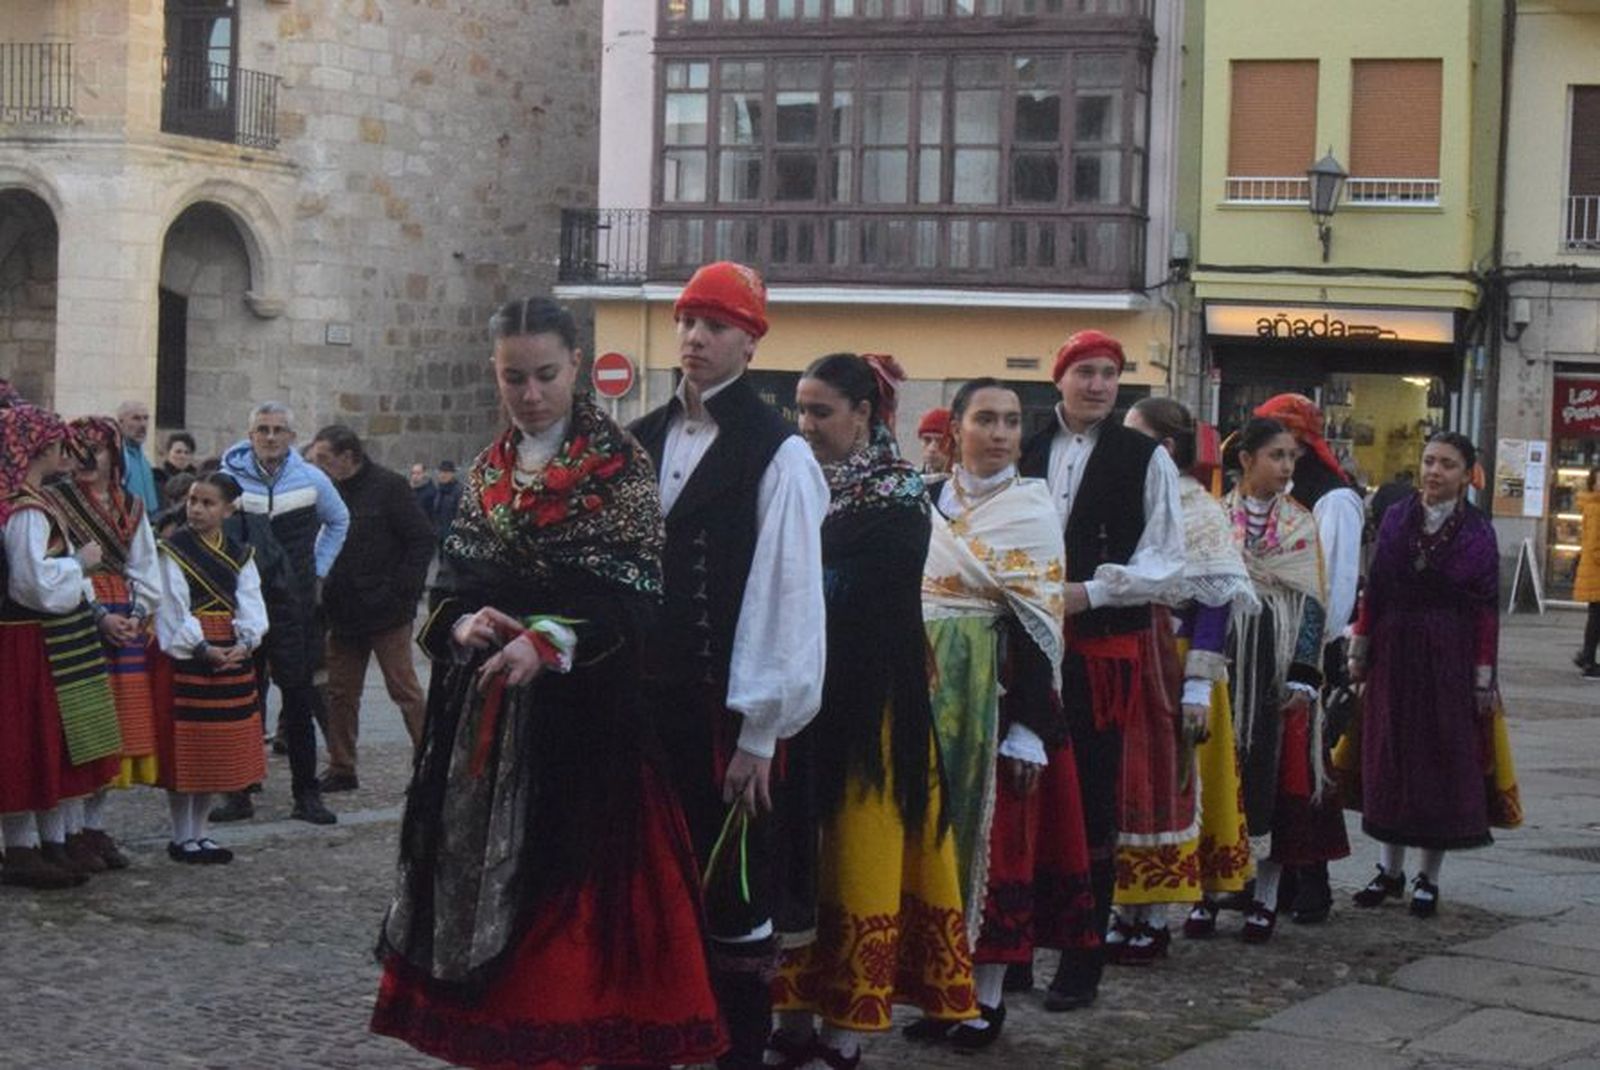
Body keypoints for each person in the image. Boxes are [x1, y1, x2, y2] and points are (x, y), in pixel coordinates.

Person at [372, 296, 725, 1069]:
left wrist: (549, 639)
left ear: (575, 367)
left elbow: (636, 597)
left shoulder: (620, 465)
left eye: (544, 375)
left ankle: (566, 1035)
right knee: (486, 882)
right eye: (512, 378)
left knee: (573, 906)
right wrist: (462, 627)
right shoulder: (488, 467)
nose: (529, 394)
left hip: (586, 724)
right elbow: (450, 586)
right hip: (490, 721)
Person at [629, 261, 828, 1070]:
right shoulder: (637, 438)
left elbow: (789, 598)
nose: (694, 339)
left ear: (750, 340)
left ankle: (738, 1052)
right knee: (646, 880)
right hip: (639, 708)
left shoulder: (779, 454)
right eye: (686, 323)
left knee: (733, 888)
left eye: (714, 326)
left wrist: (760, 732)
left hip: (726, 712)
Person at [771, 354, 976, 1067]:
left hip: (870, 707)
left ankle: (847, 1029)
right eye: (800, 410)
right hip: (802, 703)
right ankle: (790, 1017)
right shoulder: (790, 480)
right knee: (798, 859)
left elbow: (844, 594)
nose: (806, 425)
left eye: (821, 411)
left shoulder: (894, 496)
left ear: (863, 412)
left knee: (859, 854)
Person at [907, 377, 1089, 1048]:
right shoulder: (924, 501)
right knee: (930, 839)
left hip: (997, 694)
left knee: (994, 844)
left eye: (1012, 421)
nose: (1002, 432)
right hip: (925, 689)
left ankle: (983, 999)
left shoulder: (1032, 511)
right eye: (986, 418)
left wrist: (1027, 728)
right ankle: (936, 988)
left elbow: (1042, 625)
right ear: (955, 428)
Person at [1017, 330, 1184, 1010]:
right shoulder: (1024, 444)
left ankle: (1082, 962)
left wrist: (1093, 591)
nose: (1098, 385)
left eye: (1110, 374)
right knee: (1019, 798)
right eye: (1085, 371)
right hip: (1022, 649)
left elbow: (1168, 561)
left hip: (1099, 652)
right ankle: (1011, 952)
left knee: (1089, 805)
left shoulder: (1144, 457)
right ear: (1059, 377)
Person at [1107, 399, 1259, 955]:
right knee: (1124, 786)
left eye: (1134, 436)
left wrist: (1197, 685)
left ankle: (1151, 917)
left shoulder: (1198, 509)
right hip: (1129, 653)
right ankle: (1122, 909)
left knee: (1166, 784)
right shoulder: (1130, 495)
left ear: (1164, 449)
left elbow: (1214, 605)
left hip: (1175, 662)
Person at [1347, 433, 1517, 917]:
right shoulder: (1398, 515)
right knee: (1390, 752)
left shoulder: (1477, 531)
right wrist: (1361, 647)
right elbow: (1375, 586)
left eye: (1446, 464)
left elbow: (1485, 609)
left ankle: (1428, 876)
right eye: (1428, 461)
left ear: (1467, 475)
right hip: (1395, 651)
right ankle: (1388, 869)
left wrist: (1483, 676)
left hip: (1449, 654)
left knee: (1439, 758)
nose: (1434, 472)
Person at [1222, 417, 1346, 942]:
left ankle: (1267, 897)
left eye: (1293, 457)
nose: (1287, 467)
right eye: (1276, 455)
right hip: (1226, 661)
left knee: (1274, 782)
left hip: (1276, 667)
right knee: (1220, 777)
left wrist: (1304, 677)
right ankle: (1213, 890)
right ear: (1246, 459)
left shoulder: (1300, 524)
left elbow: (1312, 602)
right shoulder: (1216, 519)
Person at [0, 404, 122, 888]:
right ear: (42, 448)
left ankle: (51, 841)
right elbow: (32, 584)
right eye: (57, 444)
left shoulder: (33, 500)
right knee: (25, 737)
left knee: (49, 737)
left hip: (42, 637)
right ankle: (22, 847)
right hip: (28, 636)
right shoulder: (26, 508)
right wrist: (80, 563)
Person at [1252, 393, 1361, 924]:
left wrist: (1313, 656)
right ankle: (1276, 880)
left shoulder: (1333, 499)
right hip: (1263, 643)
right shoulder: (1274, 494)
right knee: (1269, 764)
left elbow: (1335, 582)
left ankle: (1311, 879)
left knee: (1305, 766)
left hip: (1309, 645)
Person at [212, 401, 349, 826]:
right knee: (241, 695)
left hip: (294, 603)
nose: (270, 437)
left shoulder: (312, 479)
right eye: (263, 430)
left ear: (292, 436)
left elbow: (339, 520)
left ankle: (306, 794)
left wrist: (318, 570)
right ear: (250, 435)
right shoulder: (229, 478)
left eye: (278, 430)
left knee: (299, 693)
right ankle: (238, 790)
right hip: (242, 603)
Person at [49, 416, 165, 869]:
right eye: (78, 449)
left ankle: (94, 826)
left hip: (124, 619)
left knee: (117, 730)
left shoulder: (131, 506)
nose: (85, 458)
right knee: (80, 727)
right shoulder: (56, 503)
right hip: (76, 618)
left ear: (114, 456)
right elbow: (52, 563)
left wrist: (136, 615)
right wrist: (98, 616)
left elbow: (145, 566)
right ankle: (68, 830)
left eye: (95, 449)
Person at [305, 425, 434, 790]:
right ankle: (342, 766)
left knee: (404, 690)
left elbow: (421, 539)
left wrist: (403, 591)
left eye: (324, 459)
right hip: (341, 610)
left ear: (348, 457)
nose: (318, 467)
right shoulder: (321, 492)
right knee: (341, 693)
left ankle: (428, 763)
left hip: (387, 610)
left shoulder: (389, 487)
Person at [152, 473, 269, 864]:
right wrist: (200, 646)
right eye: (192, 501)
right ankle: (180, 834)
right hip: (191, 653)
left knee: (215, 747)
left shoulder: (239, 553)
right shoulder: (173, 549)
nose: (197, 509)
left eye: (208, 503)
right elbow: (171, 604)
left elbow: (251, 601)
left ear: (228, 509)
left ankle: (201, 833)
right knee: (189, 743)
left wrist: (245, 643)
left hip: (229, 651)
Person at [1571, 468, 1600, 678]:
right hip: (1597, 570)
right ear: (1593, 484)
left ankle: (1586, 656)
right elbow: (1595, 544)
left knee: (1596, 616)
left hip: (1594, 568)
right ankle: (1588, 660)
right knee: (1596, 617)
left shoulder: (1592, 505)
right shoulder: (1597, 508)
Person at [116, 400, 161, 516]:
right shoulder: (117, 458)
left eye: (146, 418)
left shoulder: (144, 459)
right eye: (136, 418)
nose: (143, 424)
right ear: (120, 422)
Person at [916, 406, 953, 475]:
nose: (932, 448)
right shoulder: (913, 482)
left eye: (940, 441)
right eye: (927, 440)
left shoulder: (963, 484)